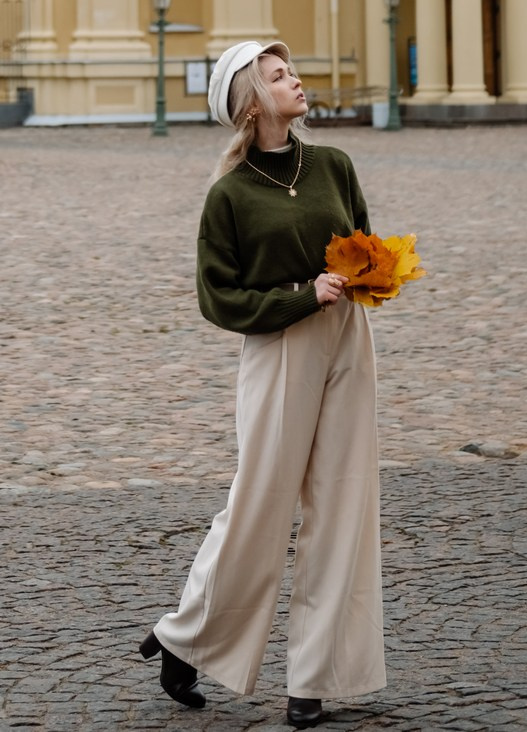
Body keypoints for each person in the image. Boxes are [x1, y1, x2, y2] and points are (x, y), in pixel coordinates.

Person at [141, 39, 385, 730]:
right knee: (261, 503)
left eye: (293, 72)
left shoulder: (333, 164)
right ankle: (184, 638)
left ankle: (313, 682)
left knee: (343, 504)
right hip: (280, 346)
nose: (296, 81)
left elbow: (362, 240)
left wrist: (374, 271)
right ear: (252, 102)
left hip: (348, 338)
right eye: (280, 77)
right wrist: (301, 297)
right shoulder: (231, 195)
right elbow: (218, 297)